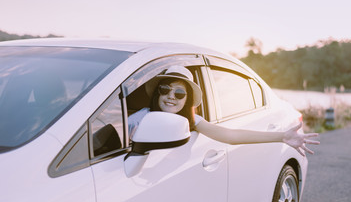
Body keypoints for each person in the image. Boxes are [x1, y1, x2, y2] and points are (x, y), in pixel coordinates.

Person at [128, 65, 319, 156]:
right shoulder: (140, 118)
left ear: (187, 100)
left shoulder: (193, 121)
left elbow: (231, 135)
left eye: (179, 93)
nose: (171, 96)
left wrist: (281, 137)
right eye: (165, 89)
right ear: (157, 94)